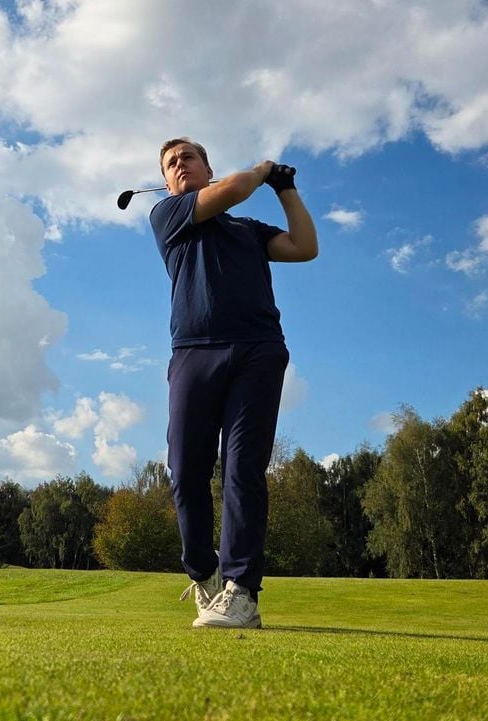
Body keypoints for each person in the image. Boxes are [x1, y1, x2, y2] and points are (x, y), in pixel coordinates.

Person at [149, 137, 318, 629]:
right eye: (172, 163)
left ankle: (241, 592)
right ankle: (204, 575)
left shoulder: (247, 229)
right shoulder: (170, 214)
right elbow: (235, 190)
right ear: (166, 181)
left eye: (189, 158)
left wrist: (286, 190)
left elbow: (304, 247)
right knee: (184, 471)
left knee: (242, 469)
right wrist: (264, 168)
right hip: (194, 353)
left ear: (207, 167)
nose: (181, 166)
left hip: (257, 350)